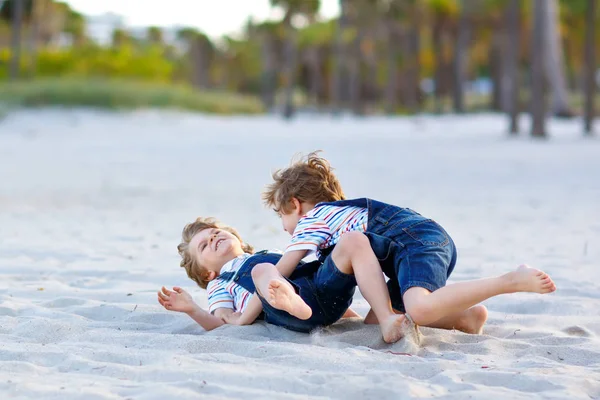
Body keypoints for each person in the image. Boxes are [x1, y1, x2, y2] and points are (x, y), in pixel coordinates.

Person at [251, 151, 557, 338]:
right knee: (375, 322)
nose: (284, 227)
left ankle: (509, 280)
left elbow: (282, 269)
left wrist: (257, 299)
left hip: (415, 244)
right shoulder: (340, 215)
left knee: (419, 307)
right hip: (421, 243)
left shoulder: (315, 218)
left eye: (281, 215)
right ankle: (466, 317)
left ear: (296, 204)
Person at [158, 217, 381, 334]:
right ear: (207, 273)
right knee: (261, 271)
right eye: (205, 246)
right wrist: (192, 309)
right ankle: (291, 301)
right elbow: (222, 319)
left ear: (240, 241)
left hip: (323, 295)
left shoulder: (272, 252)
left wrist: (348, 316)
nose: (214, 239)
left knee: (349, 241)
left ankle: (380, 312)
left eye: (216, 233)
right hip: (290, 313)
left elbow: (304, 270)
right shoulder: (220, 282)